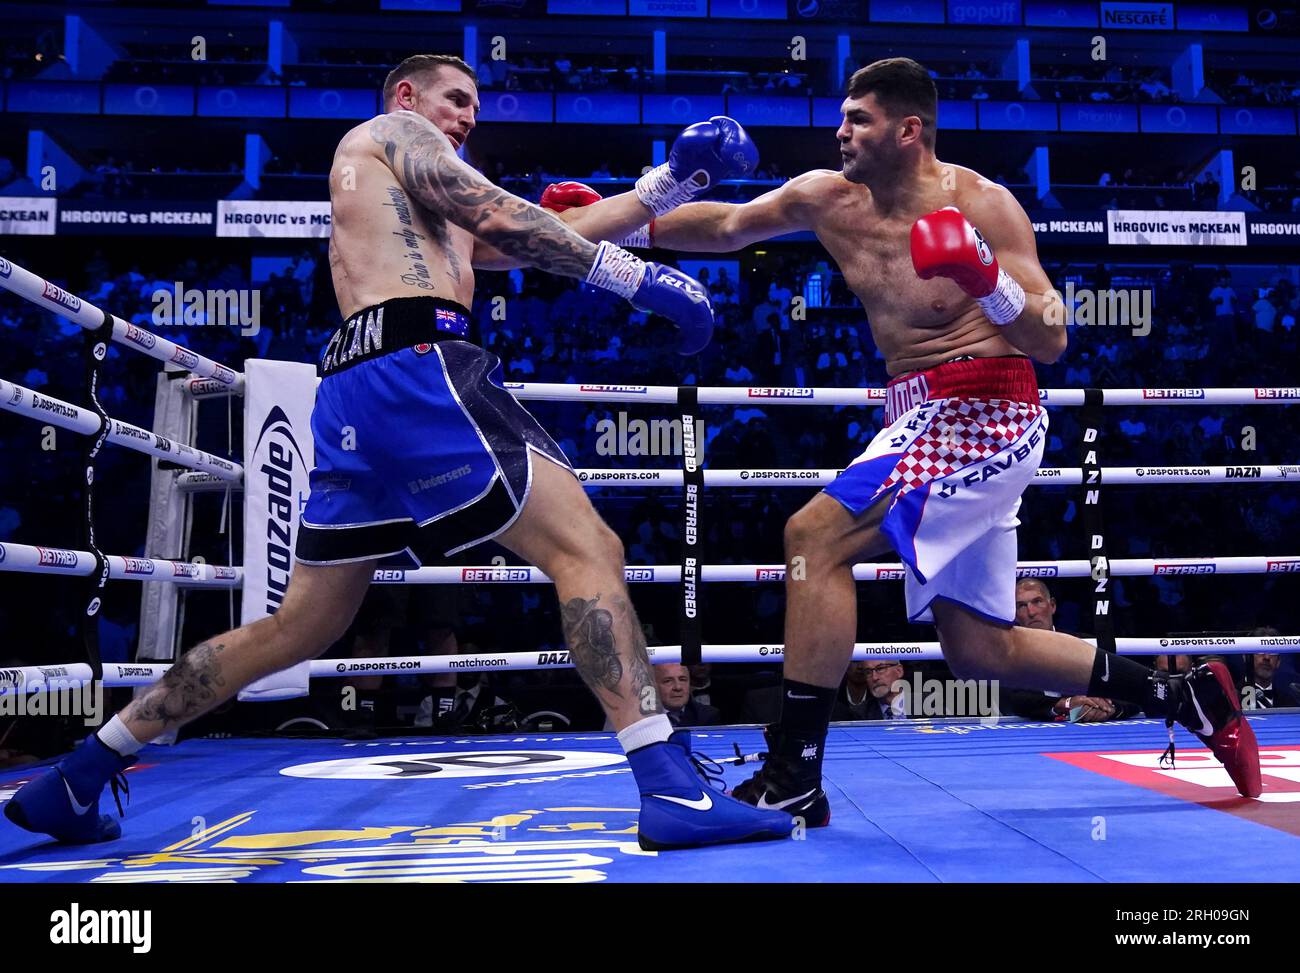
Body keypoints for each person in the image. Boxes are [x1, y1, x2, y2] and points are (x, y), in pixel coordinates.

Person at [6, 53, 792, 852]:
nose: (468, 116)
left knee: (297, 627)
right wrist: (632, 279)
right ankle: (668, 788)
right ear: (409, 95)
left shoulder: (409, 200)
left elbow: (520, 236)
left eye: (474, 106)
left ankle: (80, 770)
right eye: (458, 99)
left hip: (353, 392)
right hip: (418, 366)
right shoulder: (395, 130)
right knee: (587, 546)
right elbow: (501, 215)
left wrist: (670, 184)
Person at [651, 56, 1261, 824]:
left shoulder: (982, 203)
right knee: (981, 649)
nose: (839, 131)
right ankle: (1186, 693)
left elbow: (1052, 339)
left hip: (985, 404)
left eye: (858, 119)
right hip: (915, 411)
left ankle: (792, 769)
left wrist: (984, 279)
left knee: (814, 533)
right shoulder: (827, 198)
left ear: (909, 130)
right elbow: (728, 226)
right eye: (842, 117)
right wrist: (627, 220)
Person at [1002, 579, 1135, 722]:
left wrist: (1109, 709)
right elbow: (1012, 700)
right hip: (1031, 735)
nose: (1031, 612)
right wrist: (1065, 705)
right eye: (1021, 605)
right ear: (1014, 614)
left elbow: (1131, 691)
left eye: (1037, 602)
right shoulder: (1009, 652)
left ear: (1052, 605)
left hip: (1092, 734)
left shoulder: (1086, 644)